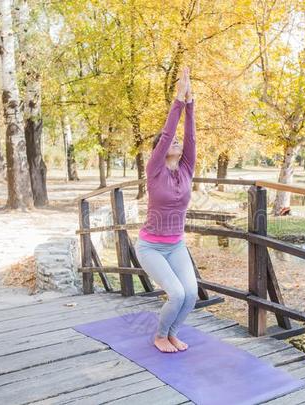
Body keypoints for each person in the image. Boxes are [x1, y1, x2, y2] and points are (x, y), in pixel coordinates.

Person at [134, 66, 198, 353]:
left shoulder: (186, 168)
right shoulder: (154, 169)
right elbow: (169, 132)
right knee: (176, 293)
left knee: (191, 294)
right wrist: (178, 101)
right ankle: (160, 336)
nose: (175, 140)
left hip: (176, 245)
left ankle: (172, 333)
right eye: (167, 140)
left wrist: (191, 103)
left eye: (176, 141)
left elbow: (190, 138)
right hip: (150, 247)